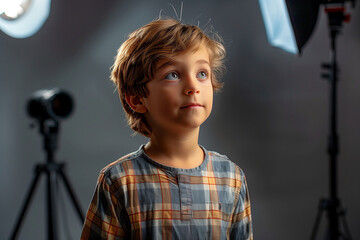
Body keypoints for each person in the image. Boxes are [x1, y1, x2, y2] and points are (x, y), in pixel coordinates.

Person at [81, 17, 253, 240]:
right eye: (173, 75)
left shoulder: (231, 177)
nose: (192, 87)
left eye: (202, 73)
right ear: (137, 100)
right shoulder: (119, 180)